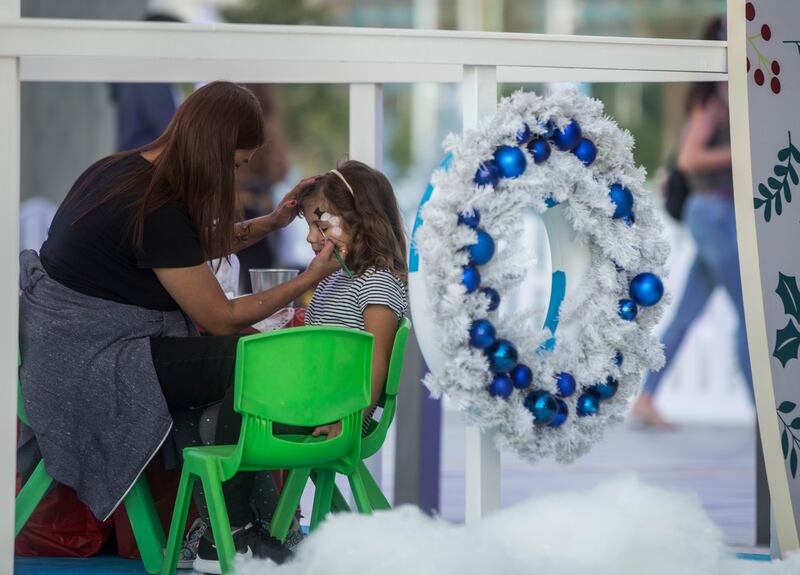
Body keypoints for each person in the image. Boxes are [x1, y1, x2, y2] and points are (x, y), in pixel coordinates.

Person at [18, 82, 343, 571]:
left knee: (239, 357)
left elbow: (182, 253)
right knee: (252, 357)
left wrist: (272, 222)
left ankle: (237, 523)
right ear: (214, 151)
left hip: (63, 349)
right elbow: (219, 317)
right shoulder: (155, 205)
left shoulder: (123, 171)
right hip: (94, 363)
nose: (237, 173)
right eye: (236, 163)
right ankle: (230, 533)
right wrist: (310, 277)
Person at [630, 17, 752, 429]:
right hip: (715, 211)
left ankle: (646, 398)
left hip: (716, 213)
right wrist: (745, 153)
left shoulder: (720, 95)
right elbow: (690, 158)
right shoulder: (715, 99)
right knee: (752, 314)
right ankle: (766, 414)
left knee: (688, 312)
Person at [297, 160, 408, 438]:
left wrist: (351, 421)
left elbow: (376, 360)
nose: (311, 237)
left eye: (321, 226)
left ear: (361, 222)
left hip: (333, 413)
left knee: (231, 416)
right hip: (311, 402)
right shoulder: (335, 278)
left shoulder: (377, 283)